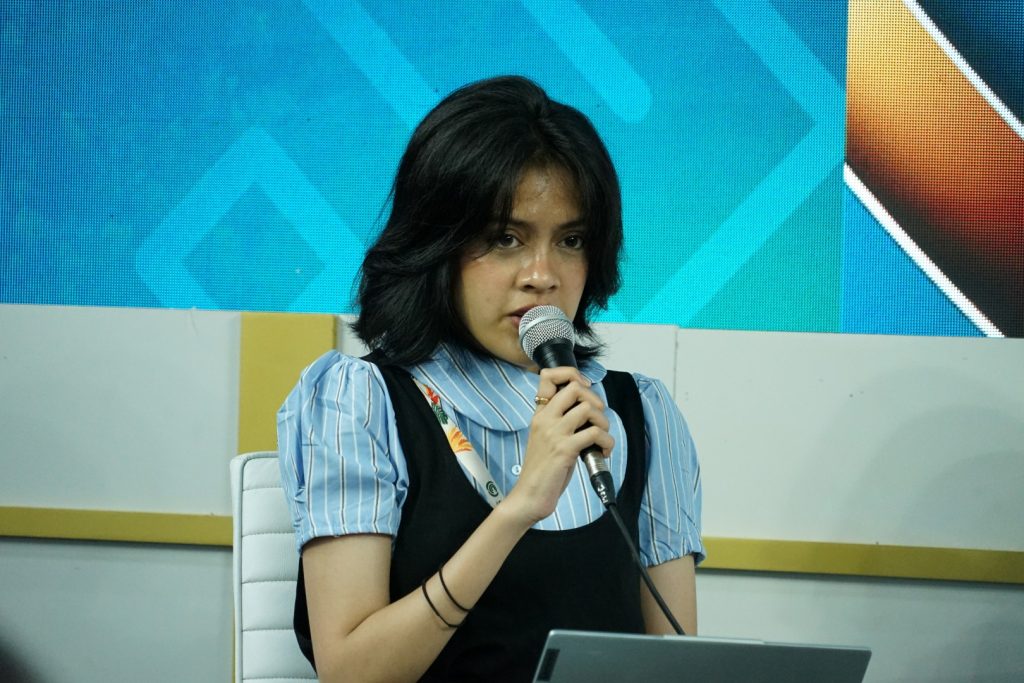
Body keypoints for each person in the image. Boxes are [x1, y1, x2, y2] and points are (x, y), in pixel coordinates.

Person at [277, 75, 704, 683]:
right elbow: (350, 672)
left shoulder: (640, 413)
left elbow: (676, 666)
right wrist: (519, 508)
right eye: (506, 238)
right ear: (437, 244)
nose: (542, 275)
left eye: (571, 240)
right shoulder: (363, 401)